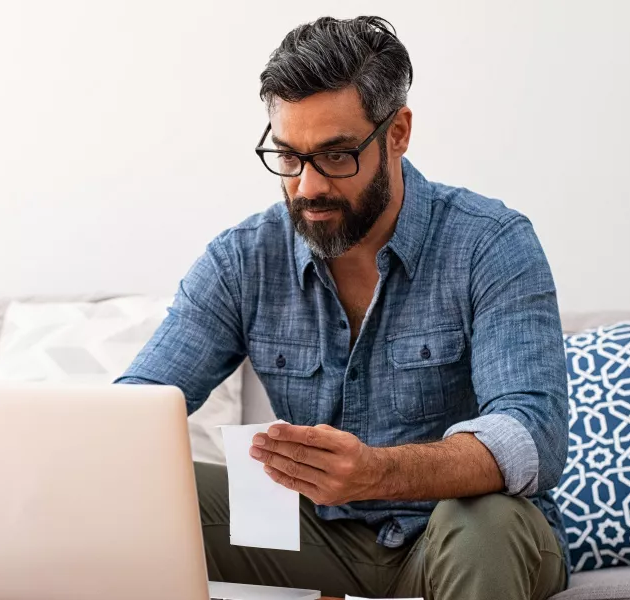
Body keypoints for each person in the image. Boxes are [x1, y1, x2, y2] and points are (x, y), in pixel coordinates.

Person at [116, 15, 569, 600]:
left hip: (454, 537)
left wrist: (379, 471)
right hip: (315, 534)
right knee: (128, 493)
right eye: (288, 156)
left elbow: (532, 434)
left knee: (484, 521)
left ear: (398, 132)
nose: (307, 187)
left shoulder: (490, 243)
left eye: (335, 156)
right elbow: (136, 409)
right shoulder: (242, 259)